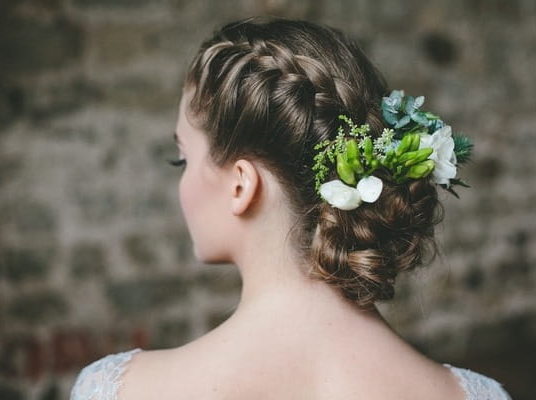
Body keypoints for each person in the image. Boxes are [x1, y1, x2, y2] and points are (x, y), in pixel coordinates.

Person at [70, 16, 512, 400]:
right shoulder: (482, 396)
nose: (181, 181)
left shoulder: (114, 391)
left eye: (183, 159)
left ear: (242, 185)